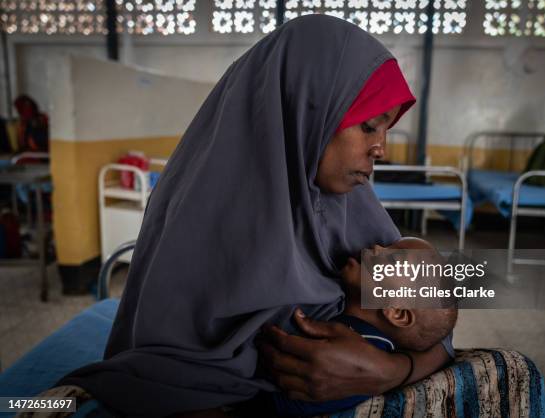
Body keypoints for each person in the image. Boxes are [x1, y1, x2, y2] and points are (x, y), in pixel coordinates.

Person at [41, 15, 453, 417]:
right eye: (367, 127)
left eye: (386, 131)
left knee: (515, 367)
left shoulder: (352, 200)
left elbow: (442, 302)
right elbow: (171, 373)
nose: (381, 149)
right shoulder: (201, 214)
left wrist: (390, 370)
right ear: (307, 113)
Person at [270, 237, 458, 417]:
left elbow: (289, 399)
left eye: (394, 258)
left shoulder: (358, 361)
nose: (376, 247)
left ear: (397, 313)